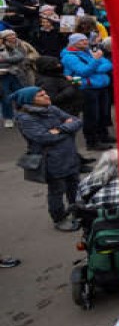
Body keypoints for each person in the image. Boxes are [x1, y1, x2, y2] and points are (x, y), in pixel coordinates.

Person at [14, 87, 84, 231]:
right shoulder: (25, 118)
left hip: (70, 155)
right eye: (41, 95)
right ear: (30, 100)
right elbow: (44, 137)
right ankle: (59, 219)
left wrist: (59, 129)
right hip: (51, 160)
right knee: (57, 191)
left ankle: (78, 213)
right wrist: (67, 127)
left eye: (45, 93)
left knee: (75, 187)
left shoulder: (51, 108)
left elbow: (77, 121)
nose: (47, 96)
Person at [59, 33, 113, 150]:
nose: (85, 42)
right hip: (87, 88)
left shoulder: (88, 51)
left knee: (103, 113)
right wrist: (96, 61)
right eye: (81, 41)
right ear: (73, 43)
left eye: (85, 40)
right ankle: (92, 142)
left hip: (101, 86)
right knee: (92, 116)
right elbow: (83, 71)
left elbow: (108, 64)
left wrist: (95, 66)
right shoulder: (69, 57)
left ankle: (103, 135)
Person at [0, 30, 28, 127]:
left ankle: (22, 116)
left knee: (21, 95)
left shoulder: (9, 47)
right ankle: (8, 118)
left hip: (14, 74)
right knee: (6, 97)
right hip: (2, 77)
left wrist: (5, 60)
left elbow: (20, 56)